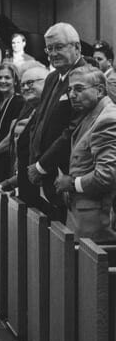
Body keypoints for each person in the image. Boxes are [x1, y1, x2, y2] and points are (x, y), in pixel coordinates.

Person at [27, 23, 90, 220]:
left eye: (59, 47)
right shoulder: (53, 77)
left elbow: (73, 130)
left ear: (77, 47)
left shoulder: (86, 77)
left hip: (67, 174)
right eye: (49, 48)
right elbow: (40, 120)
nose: (53, 53)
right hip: (46, 173)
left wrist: (41, 166)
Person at [50, 67, 116, 242]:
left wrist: (72, 183)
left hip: (96, 225)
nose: (72, 95)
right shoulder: (91, 114)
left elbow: (106, 175)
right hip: (84, 218)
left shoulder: (107, 120)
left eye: (79, 89)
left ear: (100, 90)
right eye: (70, 89)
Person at [0, 64, 50, 205]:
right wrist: (9, 183)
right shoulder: (33, 112)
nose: (25, 88)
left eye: (30, 83)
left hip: (43, 197)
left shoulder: (50, 115)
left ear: (48, 83)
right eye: (23, 84)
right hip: (27, 193)